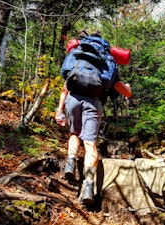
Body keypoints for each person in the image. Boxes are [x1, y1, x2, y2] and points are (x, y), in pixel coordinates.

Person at [55, 31, 131, 205]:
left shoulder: (78, 56)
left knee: (75, 133)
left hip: (73, 98)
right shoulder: (105, 60)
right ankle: (88, 185)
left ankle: (71, 161)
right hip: (94, 102)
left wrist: (60, 109)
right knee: (91, 144)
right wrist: (128, 88)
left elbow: (65, 87)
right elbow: (125, 92)